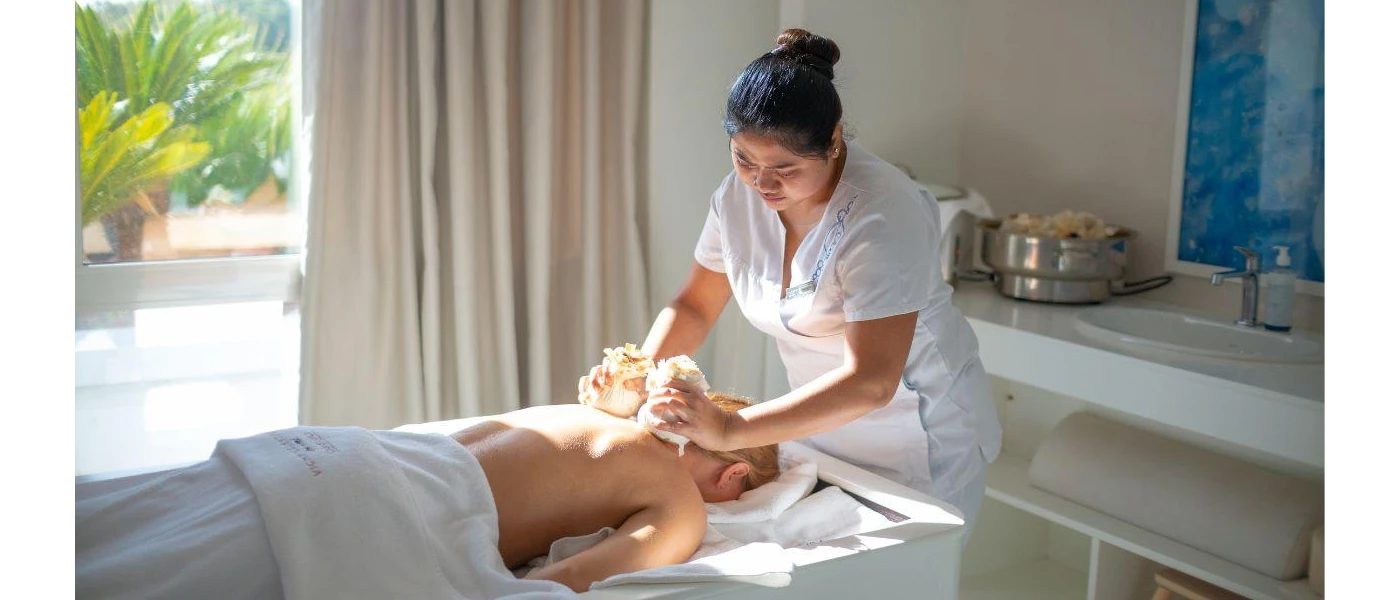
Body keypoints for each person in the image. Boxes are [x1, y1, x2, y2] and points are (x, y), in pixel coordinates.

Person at [583, 28, 1002, 541]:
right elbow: (694, 304)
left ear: (833, 141)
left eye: (784, 168)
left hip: (916, 434)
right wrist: (638, 375)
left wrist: (731, 430)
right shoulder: (736, 199)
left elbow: (872, 381)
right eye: (744, 159)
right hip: (816, 424)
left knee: (908, 577)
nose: (762, 184)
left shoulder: (882, 213)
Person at [76, 396, 779, 598]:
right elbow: (573, 582)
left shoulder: (597, 414)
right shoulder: (680, 502)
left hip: (358, 452)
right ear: (734, 478)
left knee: (131, 529)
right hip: (393, 511)